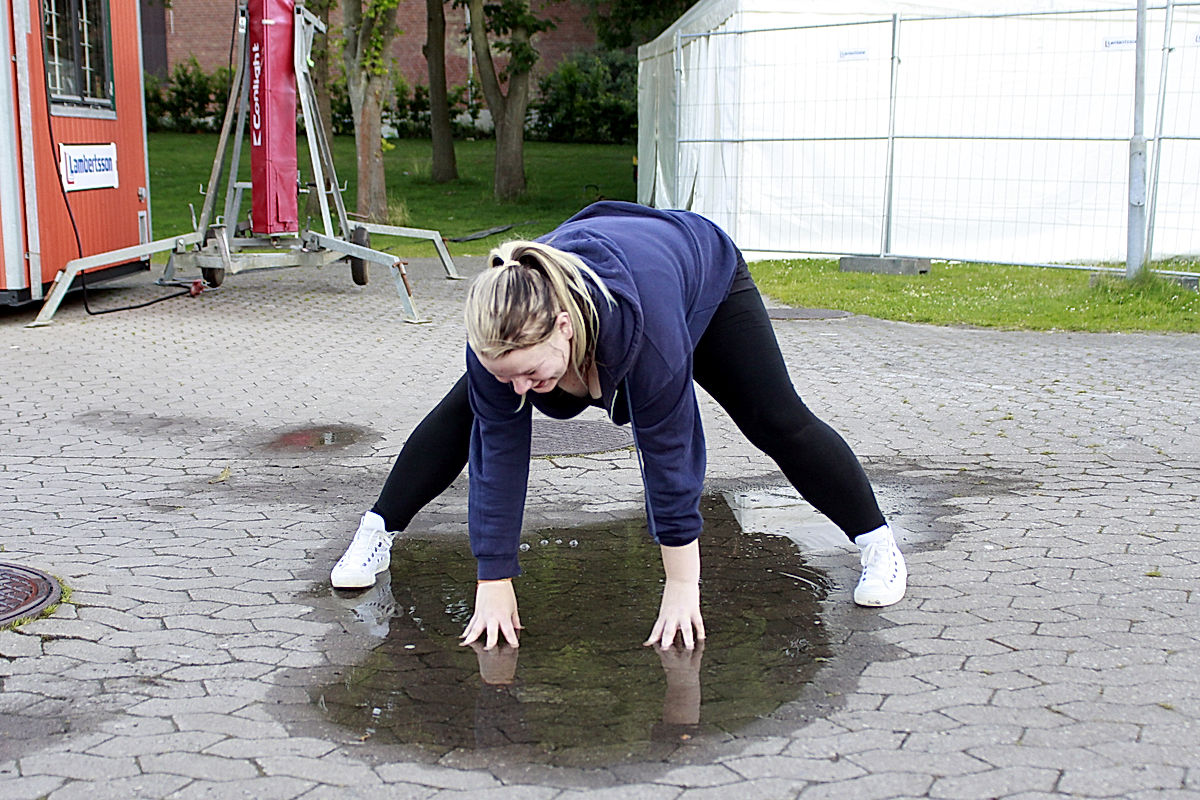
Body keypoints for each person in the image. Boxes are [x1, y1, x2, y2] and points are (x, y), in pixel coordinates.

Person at [330, 201, 906, 650]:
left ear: (563, 326)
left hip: (699, 277)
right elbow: (499, 453)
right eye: (506, 374)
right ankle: (377, 532)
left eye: (529, 373)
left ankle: (879, 545)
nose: (519, 390)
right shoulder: (502, 328)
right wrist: (493, 578)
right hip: (604, 290)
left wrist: (681, 584)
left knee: (776, 420)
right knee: (471, 413)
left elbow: (669, 452)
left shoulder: (648, 331)